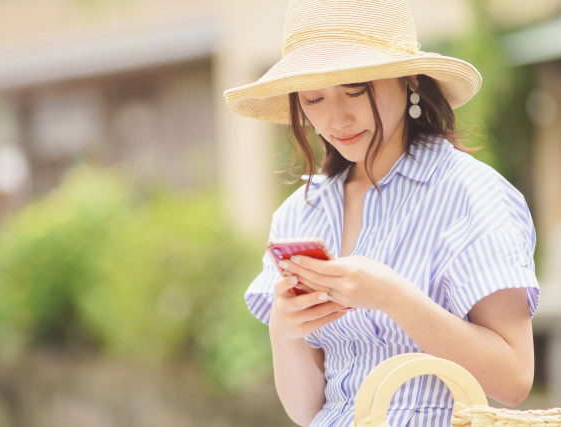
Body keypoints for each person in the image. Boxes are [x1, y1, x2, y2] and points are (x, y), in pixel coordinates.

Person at [224, 1, 540, 426]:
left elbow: (515, 379)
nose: (337, 118)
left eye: (356, 89)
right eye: (314, 99)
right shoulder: (299, 214)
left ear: (408, 77)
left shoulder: (470, 193)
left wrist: (393, 297)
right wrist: (284, 327)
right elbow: (307, 412)